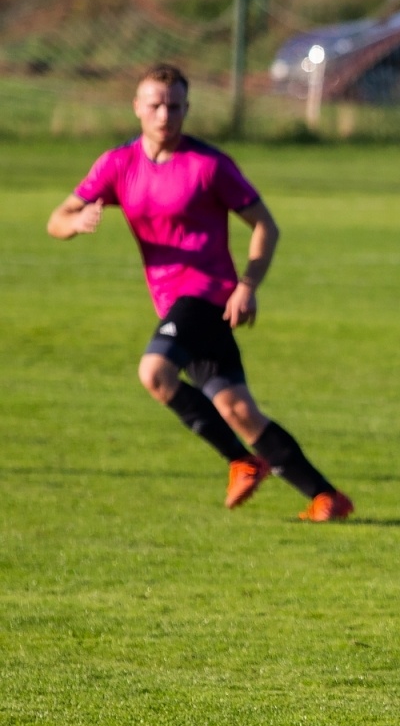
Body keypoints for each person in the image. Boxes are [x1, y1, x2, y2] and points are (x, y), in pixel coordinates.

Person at [47, 64, 353, 522]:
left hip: (207, 294)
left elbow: (265, 224)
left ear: (188, 108)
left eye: (174, 106)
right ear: (137, 107)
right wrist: (75, 222)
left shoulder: (209, 165)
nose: (165, 115)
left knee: (155, 373)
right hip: (173, 303)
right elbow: (57, 218)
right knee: (236, 409)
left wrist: (248, 285)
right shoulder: (117, 165)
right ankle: (327, 497)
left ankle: (242, 462)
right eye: (155, 105)